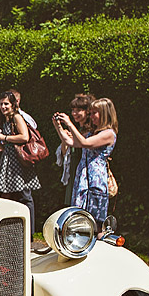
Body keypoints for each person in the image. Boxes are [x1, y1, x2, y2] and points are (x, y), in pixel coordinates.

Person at [53, 97, 118, 230]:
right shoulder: (92, 133)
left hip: (96, 180)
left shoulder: (109, 134)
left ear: (105, 114)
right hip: (83, 177)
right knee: (80, 216)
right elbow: (72, 143)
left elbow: (84, 143)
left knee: (95, 222)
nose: (91, 116)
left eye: (95, 112)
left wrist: (70, 124)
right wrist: (58, 126)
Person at [0, 91, 41, 233]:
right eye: (1, 104)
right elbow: (4, 146)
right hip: (8, 161)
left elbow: (24, 137)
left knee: (25, 196)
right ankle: (13, 231)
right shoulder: (5, 119)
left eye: (6, 104)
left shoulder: (17, 117)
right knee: (8, 196)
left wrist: (3, 137)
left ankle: (29, 232)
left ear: (13, 104)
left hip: (20, 163)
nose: (3, 107)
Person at [52, 93, 94, 206]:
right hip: (75, 171)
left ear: (87, 111)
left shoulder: (91, 130)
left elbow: (81, 143)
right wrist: (58, 126)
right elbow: (67, 149)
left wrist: (69, 124)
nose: (75, 113)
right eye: (73, 110)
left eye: (78, 110)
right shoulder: (78, 129)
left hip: (86, 172)